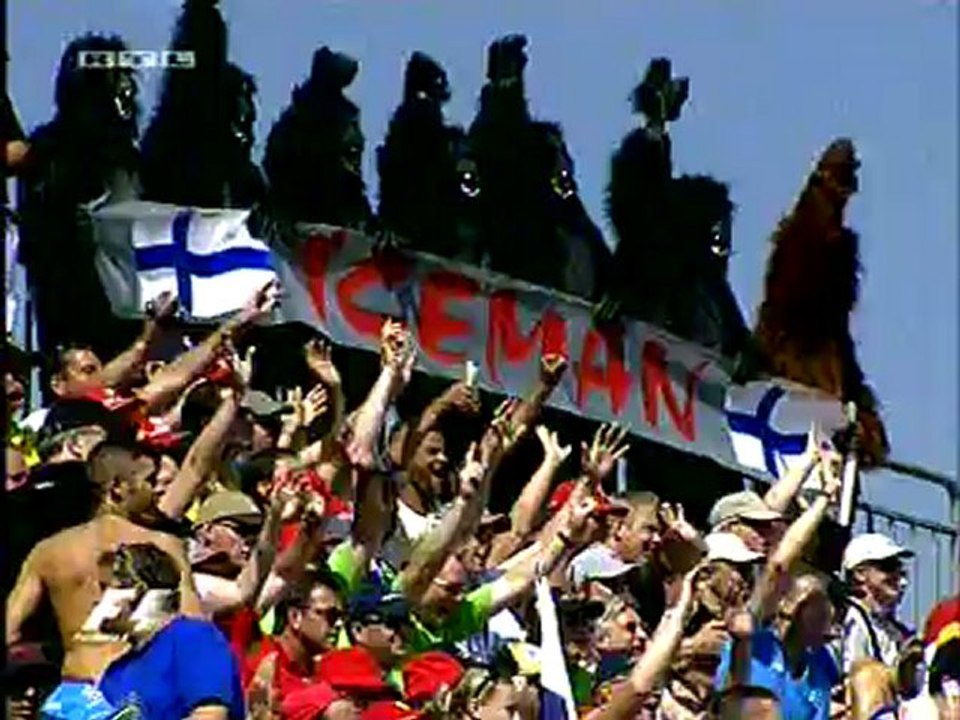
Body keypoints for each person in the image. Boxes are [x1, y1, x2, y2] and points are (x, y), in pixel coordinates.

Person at [5, 443, 204, 687]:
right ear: (117, 488)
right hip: (137, 691)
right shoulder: (164, 545)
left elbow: (9, 630)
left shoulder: (50, 550)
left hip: (75, 695)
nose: (155, 491)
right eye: (149, 480)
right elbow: (195, 626)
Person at [90, 543, 245, 719]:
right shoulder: (116, 670)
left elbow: (210, 715)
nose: (96, 599)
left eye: (106, 588)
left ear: (139, 593)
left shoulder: (193, 638)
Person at [840, 532, 915, 674]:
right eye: (888, 566)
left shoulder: (892, 628)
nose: (897, 574)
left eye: (899, 566)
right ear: (860, 573)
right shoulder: (851, 620)